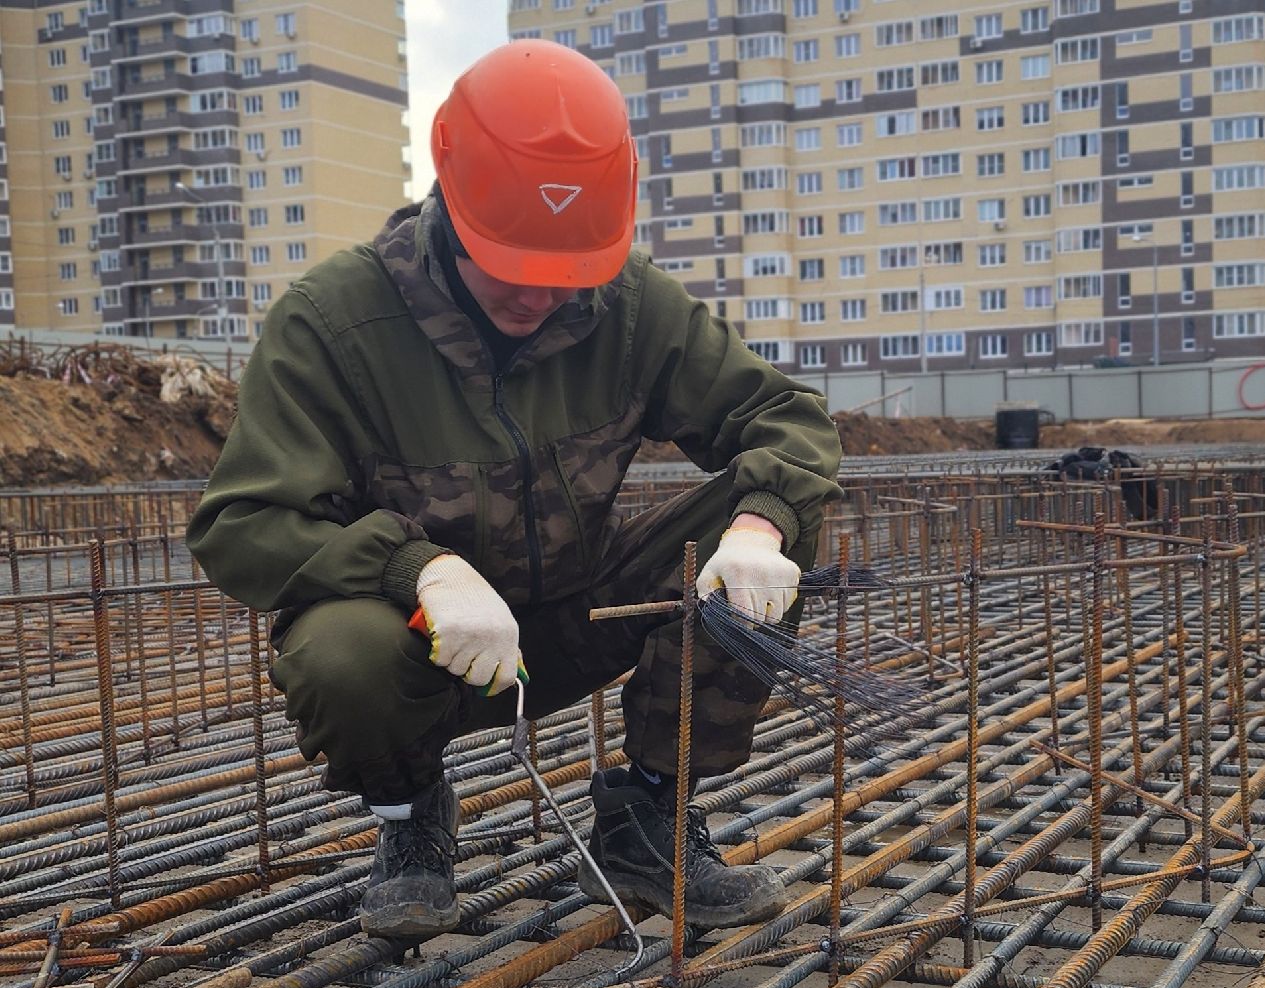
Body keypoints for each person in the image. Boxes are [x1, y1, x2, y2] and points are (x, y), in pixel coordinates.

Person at [186, 41, 843, 939]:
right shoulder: (333, 322)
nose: (540, 296)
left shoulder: (627, 304)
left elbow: (787, 420)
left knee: (777, 532)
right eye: (514, 264)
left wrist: (760, 527)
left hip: (580, 617)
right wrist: (416, 569)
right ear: (451, 207)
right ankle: (412, 815)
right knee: (340, 654)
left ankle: (649, 812)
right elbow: (241, 524)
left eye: (565, 271)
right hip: (430, 648)